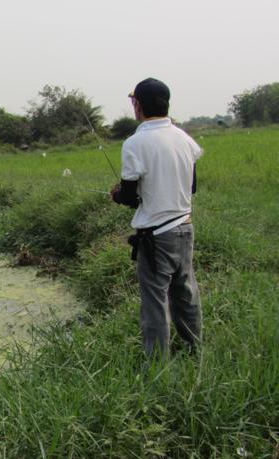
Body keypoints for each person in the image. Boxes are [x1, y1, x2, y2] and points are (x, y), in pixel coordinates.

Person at [110, 78, 204, 357]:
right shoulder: (184, 138)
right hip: (185, 229)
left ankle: (156, 368)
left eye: (133, 102)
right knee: (186, 296)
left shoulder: (134, 143)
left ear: (138, 105)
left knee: (154, 304)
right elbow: (192, 186)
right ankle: (195, 353)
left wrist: (117, 194)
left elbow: (128, 197)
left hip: (155, 238)